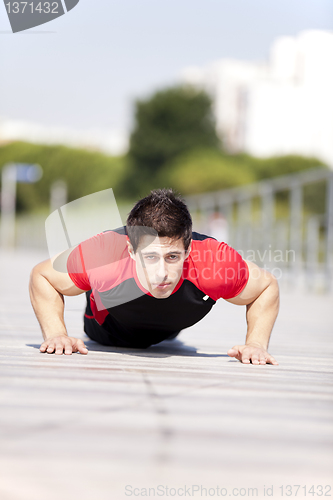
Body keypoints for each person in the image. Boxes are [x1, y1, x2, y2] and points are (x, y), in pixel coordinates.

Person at [29, 189, 279, 365]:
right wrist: (56, 334)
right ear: (131, 249)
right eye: (150, 257)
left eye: (172, 257)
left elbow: (266, 286)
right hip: (110, 329)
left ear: (188, 250)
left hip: (171, 326)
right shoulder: (104, 254)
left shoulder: (214, 261)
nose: (162, 273)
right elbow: (43, 275)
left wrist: (256, 344)